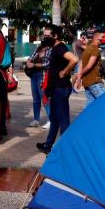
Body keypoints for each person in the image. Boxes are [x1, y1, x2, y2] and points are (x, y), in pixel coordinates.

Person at [37, 24, 78, 154]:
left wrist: (65, 71)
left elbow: (74, 59)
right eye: (44, 35)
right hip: (56, 88)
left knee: (63, 119)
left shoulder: (60, 48)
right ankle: (48, 145)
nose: (45, 38)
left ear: (55, 36)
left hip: (61, 88)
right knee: (54, 118)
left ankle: (66, 148)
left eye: (48, 36)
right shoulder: (54, 48)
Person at [74, 29, 105, 106]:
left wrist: (79, 78)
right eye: (103, 37)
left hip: (87, 82)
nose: (104, 39)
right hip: (94, 81)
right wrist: (79, 76)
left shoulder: (87, 48)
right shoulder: (95, 50)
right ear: (97, 37)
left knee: (90, 105)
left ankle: (87, 118)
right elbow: (89, 66)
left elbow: (81, 64)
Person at [25, 40, 49, 127]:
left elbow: (47, 63)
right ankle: (36, 119)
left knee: (44, 98)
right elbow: (30, 58)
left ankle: (50, 120)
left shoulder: (49, 50)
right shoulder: (38, 49)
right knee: (35, 98)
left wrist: (34, 65)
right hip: (34, 76)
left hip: (42, 76)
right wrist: (28, 62)